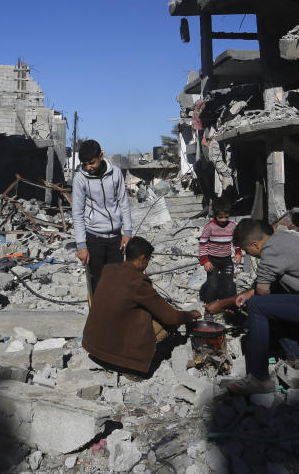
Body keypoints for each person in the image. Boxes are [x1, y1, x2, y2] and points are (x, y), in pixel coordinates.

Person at [206, 219, 299, 395]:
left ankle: (259, 379)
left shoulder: (270, 252)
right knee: (264, 302)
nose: (248, 254)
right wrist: (247, 294)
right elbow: (264, 288)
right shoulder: (282, 240)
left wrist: (224, 303)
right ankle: (296, 357)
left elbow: (262, 296)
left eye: (246, 250)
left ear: (254, 244)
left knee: (257, 306)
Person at [82, 237, 202, 375]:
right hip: (114, 357)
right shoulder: (138, 282)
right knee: (163, 324)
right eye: (148, 260)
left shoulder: (109, 270)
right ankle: (131, 365)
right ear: (143, 258)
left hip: (92, 345)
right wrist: (191, 314)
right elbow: (171, 317)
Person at [72, 139, 132, 294]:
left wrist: (127, 232)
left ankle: (116, 316)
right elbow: (77, 213)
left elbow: (124, 203)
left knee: (117, 282)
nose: (88, 167)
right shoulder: (80, 179)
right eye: (84, 164)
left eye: (91, 163)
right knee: (97, 284)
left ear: (101, 155)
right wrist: (81, 245)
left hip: (116, 239)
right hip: (94, 238)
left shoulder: (116, 173)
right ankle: (99, 317)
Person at [198, 199, 241, 304]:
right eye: (220, 217)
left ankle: (229, 306)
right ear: (214, 215)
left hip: (227, 261)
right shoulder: (210, 227)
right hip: (212, 261)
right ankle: (210, 307)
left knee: (229, 285)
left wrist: (238, 253)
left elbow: (236, 241)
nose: (223, 220)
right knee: (212, 285)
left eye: (226, 217)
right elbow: (203, 244)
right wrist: (205, 260)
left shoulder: (232, 226)